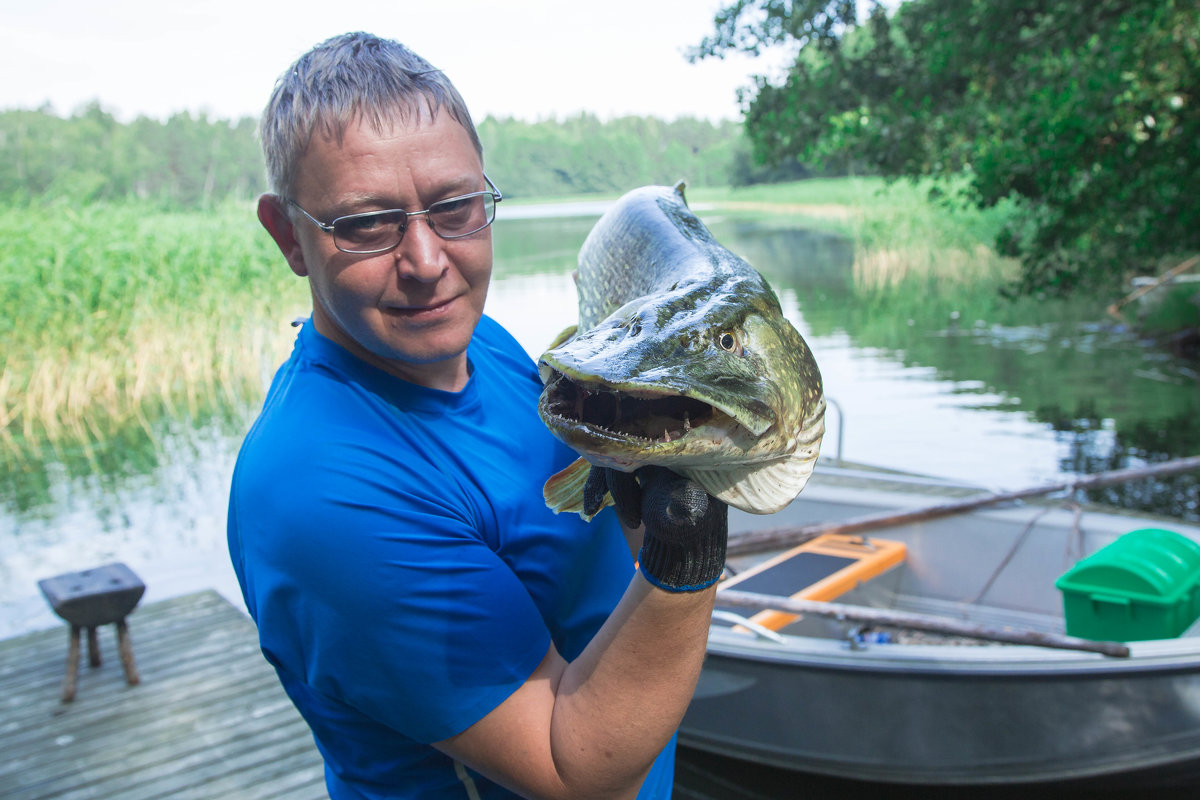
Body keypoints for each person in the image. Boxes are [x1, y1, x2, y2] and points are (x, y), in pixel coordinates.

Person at [227, 31, 728, 800]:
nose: (428, 263)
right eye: (367, 223)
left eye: (456, 206)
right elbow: (573, 770)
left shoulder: (479, 340)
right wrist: (686, 561)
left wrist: (659, 462)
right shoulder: (322, 494)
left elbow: (599, 531)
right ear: (289, 235)